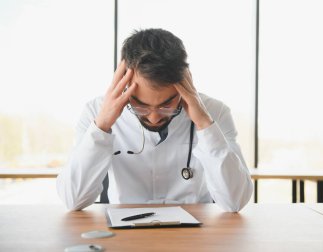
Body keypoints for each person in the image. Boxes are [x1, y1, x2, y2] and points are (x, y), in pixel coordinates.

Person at [56, 28, 253, 212]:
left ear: (186, 83)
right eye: (140, 105)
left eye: (167, 105)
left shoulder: (214, 113)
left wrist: (204, 125)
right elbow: (73, 199)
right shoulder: (95, 112)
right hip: (125, 237)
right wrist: (101, 127)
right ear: (123, 83)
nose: (154, 116)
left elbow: (235, 202)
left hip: (194, 237)